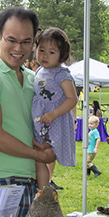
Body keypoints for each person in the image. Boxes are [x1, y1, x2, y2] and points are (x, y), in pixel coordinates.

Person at [0, 7, 56, 217]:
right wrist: (40, 155)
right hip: (0, 183)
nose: (18, 49)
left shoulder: (33, 78)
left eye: (26, 41)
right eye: (11, 40)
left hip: (32, 182)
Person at [31, 27, 77, 190]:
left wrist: (54, 113)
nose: (44, 55)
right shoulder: (39, 71)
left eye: (51, 52)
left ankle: (46, 186)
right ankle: (42, 188)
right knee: (38, 154)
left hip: (54, 121)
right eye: (41, 50)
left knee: (47, 153)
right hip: (39, 119)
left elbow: (72, 99)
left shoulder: (61, 75)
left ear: (61, 55)